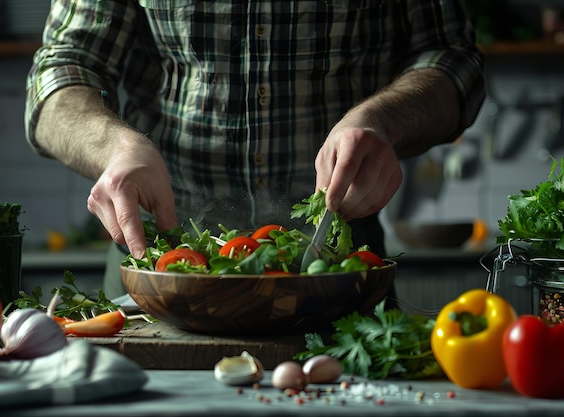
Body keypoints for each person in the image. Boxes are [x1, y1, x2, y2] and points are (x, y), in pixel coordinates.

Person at [25, 0, 485, 299]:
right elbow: (62, 66)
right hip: (157, 269)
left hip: (339, 270)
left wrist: (382, 119)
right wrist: (115, 146)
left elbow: (452, 57)